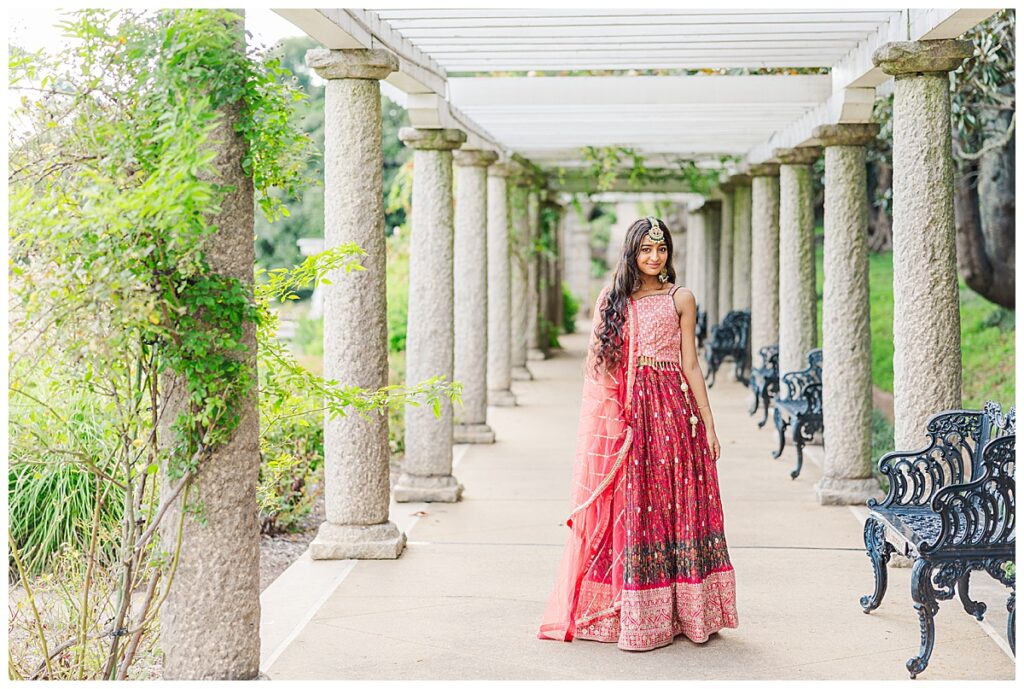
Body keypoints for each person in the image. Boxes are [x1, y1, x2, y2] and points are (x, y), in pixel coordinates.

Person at [537, 216, 739, 651]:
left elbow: (691, 365)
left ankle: (687, 611)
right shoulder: (614, 300)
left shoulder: (680, 298)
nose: (654, 257)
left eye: (661, 249)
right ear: (631, 253)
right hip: (632, 417)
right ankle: (639, 612)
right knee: (638, 508)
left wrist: (708, 423)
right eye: (646, 249)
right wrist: (612, 425)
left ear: (669, 252)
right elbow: (600, 371)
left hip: (674, 415)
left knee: (678, 504)